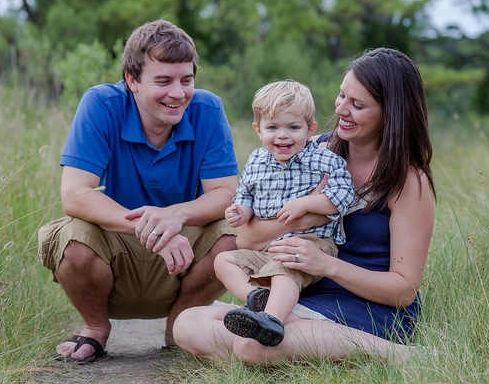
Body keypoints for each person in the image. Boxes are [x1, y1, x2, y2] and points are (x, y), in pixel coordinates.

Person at [173, 48, 436, 365]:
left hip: (368, 308)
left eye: (358, 105)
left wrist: (326, 265)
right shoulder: (310, 151)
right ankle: (292, 345)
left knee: (251, 346)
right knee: (186, 325)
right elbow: (247, 240)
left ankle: (401, 355)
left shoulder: (408, 181)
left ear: (389, 113)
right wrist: (300, 217)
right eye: (341, 96)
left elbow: (403, 290)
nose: (341, 109)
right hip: (301, 292)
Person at [38, 20, 239, 363]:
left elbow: (225, 193)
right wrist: (151, 228)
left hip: (182, 256)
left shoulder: (208, 109)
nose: (178, 93)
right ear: (132, 80)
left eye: (186, 80)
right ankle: (96, 328)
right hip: (115, 249)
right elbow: (75, 194)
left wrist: (176, 216)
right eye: (163, 81)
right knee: (70, 237)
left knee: (235, 233)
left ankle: (181, 328)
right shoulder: (101, 103)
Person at [217, 80, 355, 347]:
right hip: (268, 247)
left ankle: (273, 321)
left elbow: (343, 196)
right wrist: (240, 212)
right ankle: (257, 299)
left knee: (285, 268)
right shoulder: (257, 161)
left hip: (311, 244)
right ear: (258, 130)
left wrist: (306, 203)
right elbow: (245, 194)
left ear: (310, 129)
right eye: (272, 127)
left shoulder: (324, 160)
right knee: (224, 260)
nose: (283, 135)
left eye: (293, 127)